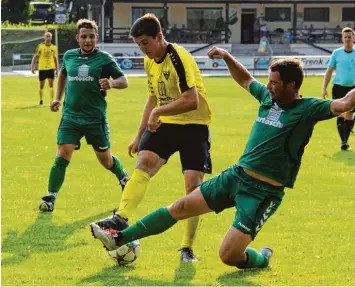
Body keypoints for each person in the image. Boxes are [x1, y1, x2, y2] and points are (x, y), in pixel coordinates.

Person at [90, 48, 355, 270]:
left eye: (274, 83)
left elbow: (344, 104)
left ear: (292, 85)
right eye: (269, 81)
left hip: (264, 192)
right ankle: (119, 238)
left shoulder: (308, 108)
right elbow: (245, 79)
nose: (269, 86)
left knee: (228, 256)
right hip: (236, 176)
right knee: (180, 207)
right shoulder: (266, 97)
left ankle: (261, 260)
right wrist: (227, 57)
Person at [91, 13, 212, 263]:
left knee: (193, 188)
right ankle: (121, 218)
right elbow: (153, 97)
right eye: (138, 44)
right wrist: (139, 134)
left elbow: (192, 100)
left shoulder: (178, 57)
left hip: (194, 126)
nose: (142, 49)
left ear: (159, 37)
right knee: (144, 163)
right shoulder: (150, 61)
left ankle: (187, 248)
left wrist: (158, 112)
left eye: (145, 42)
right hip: (166, 123)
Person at [38, 19, 129, 212]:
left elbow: (124, 80)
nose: (88, 40)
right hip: (70, 117)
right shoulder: (69, 56)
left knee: (106, 161)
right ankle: (50, 198)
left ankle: (123, 177)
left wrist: (111, 84)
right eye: (84, 37)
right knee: (63, 152)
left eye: (91, 36)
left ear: (97, 37)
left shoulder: (104, 59)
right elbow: (62, 74)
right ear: (77, 38)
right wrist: (57, 98)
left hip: (95, 119)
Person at [322, 27, 355, 150]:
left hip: (353, 89)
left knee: (350, 115)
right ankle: (344, 142)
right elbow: (329, 70)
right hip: (339, 87)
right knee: (340, 114)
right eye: (345, 37)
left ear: (354, 38)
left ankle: (345, 140)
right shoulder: (336, 53)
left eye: (349, 36)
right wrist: (324, 87)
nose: (347, 39)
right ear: (342, 39)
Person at [31, 31, 59, 105]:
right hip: (42, 68)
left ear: (51, 38)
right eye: (47, 36)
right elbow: (35, 56)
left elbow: (55, 59)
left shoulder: (54, 47)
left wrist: (57, 70)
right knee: (41, 86)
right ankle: (41, 100)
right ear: (44, 37)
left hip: (50, 68)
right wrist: (32, 67)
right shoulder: (40, 46)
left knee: (51, 84)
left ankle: (52, 100)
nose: (48, 38)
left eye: (49, 36)